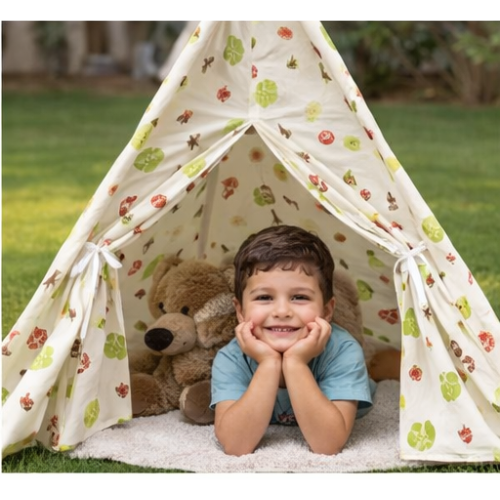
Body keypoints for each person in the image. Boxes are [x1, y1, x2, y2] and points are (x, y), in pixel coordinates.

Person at [210, 225, 375, 456]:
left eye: (299, 297)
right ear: (240, 311)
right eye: (264, 297)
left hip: (355, 377)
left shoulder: (343, 351)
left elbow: (328, 445)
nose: (282, 311)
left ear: (327, 310)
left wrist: (296, 362)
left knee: (378, 364)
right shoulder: (232, 357)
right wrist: (268, 363)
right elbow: (235, 445)